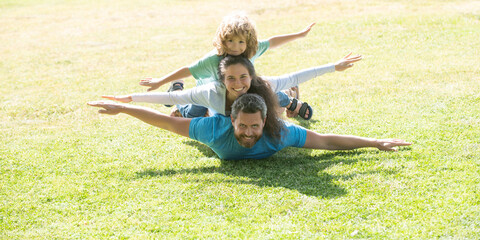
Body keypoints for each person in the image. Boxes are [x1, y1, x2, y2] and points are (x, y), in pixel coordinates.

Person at [88, 94, 411, 160]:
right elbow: (160, 123)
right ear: (232, 121)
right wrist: (124, 108)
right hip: (201, 114)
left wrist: (374, 142)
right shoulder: (212, 129)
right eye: (243, 126)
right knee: (177, 114)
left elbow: (326, 142)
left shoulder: (280, 131)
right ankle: (179, 93)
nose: (248, 132)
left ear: (265, 122)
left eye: (254, 127)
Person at [138, 12, 317, 119]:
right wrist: (159, 81)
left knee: (263, 95)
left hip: (241, 90)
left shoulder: (252, 49)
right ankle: (177, 90)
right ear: (222, 40)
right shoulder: (213, 59)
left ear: (248, 40)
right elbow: (188, 70)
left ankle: (290, 98)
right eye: (230, 41)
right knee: (192, 114)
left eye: (240, 41)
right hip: (210, 94)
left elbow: (272, 41)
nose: (235, 47)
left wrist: (299, 35)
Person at [102, 54, 361, 120]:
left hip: (257, 101)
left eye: (243, 77)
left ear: (252, 75)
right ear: (222, 80)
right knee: (184, 108)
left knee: (273, 97)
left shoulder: (262, 84)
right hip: (204, 105)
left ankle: (290, 101)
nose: (238, 84)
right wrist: (129, 99)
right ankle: (175, 88)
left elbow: (297, 75)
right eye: (231, 79)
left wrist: (333, 67)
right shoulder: (211, 91)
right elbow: (170, 98)